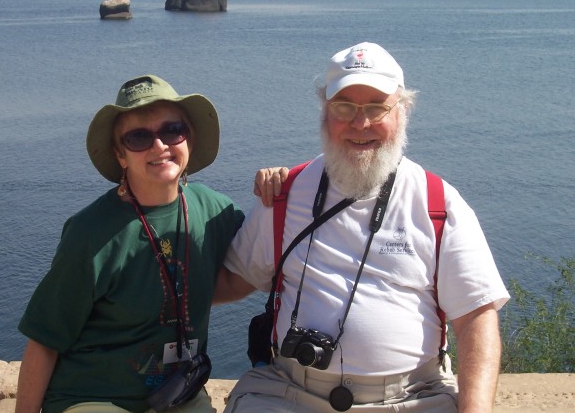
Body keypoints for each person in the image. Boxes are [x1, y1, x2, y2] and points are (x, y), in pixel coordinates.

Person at [215, 42, 510, 413]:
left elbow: (476, 317)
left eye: (376, 108)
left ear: (402, 112)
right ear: (325, 112)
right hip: (292, 392)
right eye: (345, 107)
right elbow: (231, 282)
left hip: (413, 397)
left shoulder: (438, 203)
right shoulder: (285, 196)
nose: (360, 124)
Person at [16, 74, 247, 413]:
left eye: (172, 130)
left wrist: (281, 187)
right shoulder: (92, 232)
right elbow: (45, 340)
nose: (159, 145)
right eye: (139, 137)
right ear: (120, 154)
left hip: (178, 394)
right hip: (95, 396)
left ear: (189, 139)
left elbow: (250, 268)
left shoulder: (214, 211)